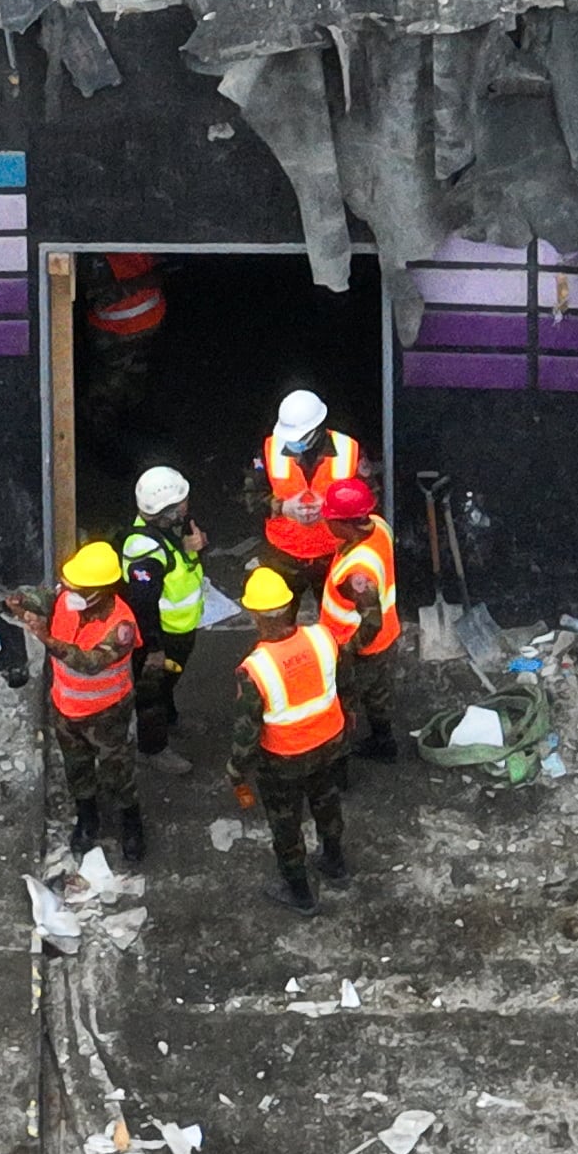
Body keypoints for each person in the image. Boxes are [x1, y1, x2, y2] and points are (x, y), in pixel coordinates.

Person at [3, 542, 147, 867]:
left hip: (108, 715)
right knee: (76, 767)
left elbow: (90, 662)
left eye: (78, 588)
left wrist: (46, 638)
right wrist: (19, 600)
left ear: (100, 591)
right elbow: (45, 597)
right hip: (66, 710)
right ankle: (87, 819)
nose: (69, 592)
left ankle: (131, 824)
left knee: (117, 771)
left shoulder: (121, 626)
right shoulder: (67, 598)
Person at [228, 561, 349, 912]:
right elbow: (346, 682)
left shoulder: (255, 669)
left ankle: (299, 893)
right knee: (326, 802)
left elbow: (247, 730)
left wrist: (237, 768)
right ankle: (335, 863)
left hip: (285, 758)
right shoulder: (322, 636)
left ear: (257, 616)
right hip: (329, 744)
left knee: (286, 822)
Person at [119, 465, 210, 758]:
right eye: (181, 502)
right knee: (151, 693)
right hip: (161, 636)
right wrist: (154, 648)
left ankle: (170, 721)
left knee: (168, 682)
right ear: (167, 511)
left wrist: (194, 546)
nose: (187, 506)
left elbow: (178, 559)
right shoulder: (144, 554)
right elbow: (143, 608)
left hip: (179, 631)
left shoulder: (167, 529)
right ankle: (154, 748)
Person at [315, 475, 402, 765]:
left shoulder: (358, 573)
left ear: (344, 524)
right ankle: (384, 742)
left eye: (330, 518)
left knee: (343, 702)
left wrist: (348, 650)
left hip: (360, 648)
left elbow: (371, 620)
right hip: (387, 638)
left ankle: (338, 764)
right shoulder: (378, 526)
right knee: (378, 694)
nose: (326, 523)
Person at [249, 388, 361, 580]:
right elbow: (250, 496)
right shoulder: (270, 448)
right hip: (282, 555)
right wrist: (282, 507)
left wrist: (331, 508)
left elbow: (368, 502)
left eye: (300, 438)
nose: (293, 443)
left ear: (317, 429)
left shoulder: (349, 449)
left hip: (333, 554)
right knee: (276, 608)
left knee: (335, 609)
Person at [81, 253, 166, 430]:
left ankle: (115, 428)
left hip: (126, 329)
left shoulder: (98, 253)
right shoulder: (98, 254)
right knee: (118, 381)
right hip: (122, 329)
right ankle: (112, 428)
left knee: (122, 380)